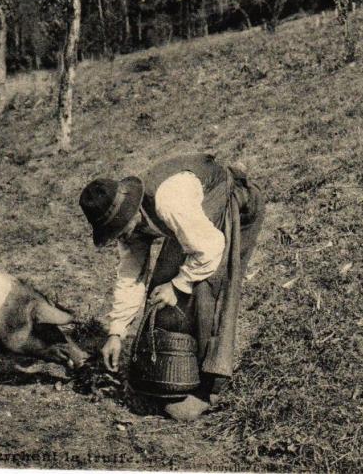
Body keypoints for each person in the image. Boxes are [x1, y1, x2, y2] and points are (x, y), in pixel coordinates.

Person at [79, 153, 265, 421]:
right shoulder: (130, 226)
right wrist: (116, 332)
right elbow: (131, 277)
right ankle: (173, 375)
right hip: (199, 225)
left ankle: (208, 388)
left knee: (206, 290)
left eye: (120, 228)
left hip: (234, 206)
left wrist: (177, 285)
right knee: (159, 290)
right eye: (114, 231)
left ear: (130, 210)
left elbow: (210, 248)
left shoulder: (170, 200)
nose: (120, 236)